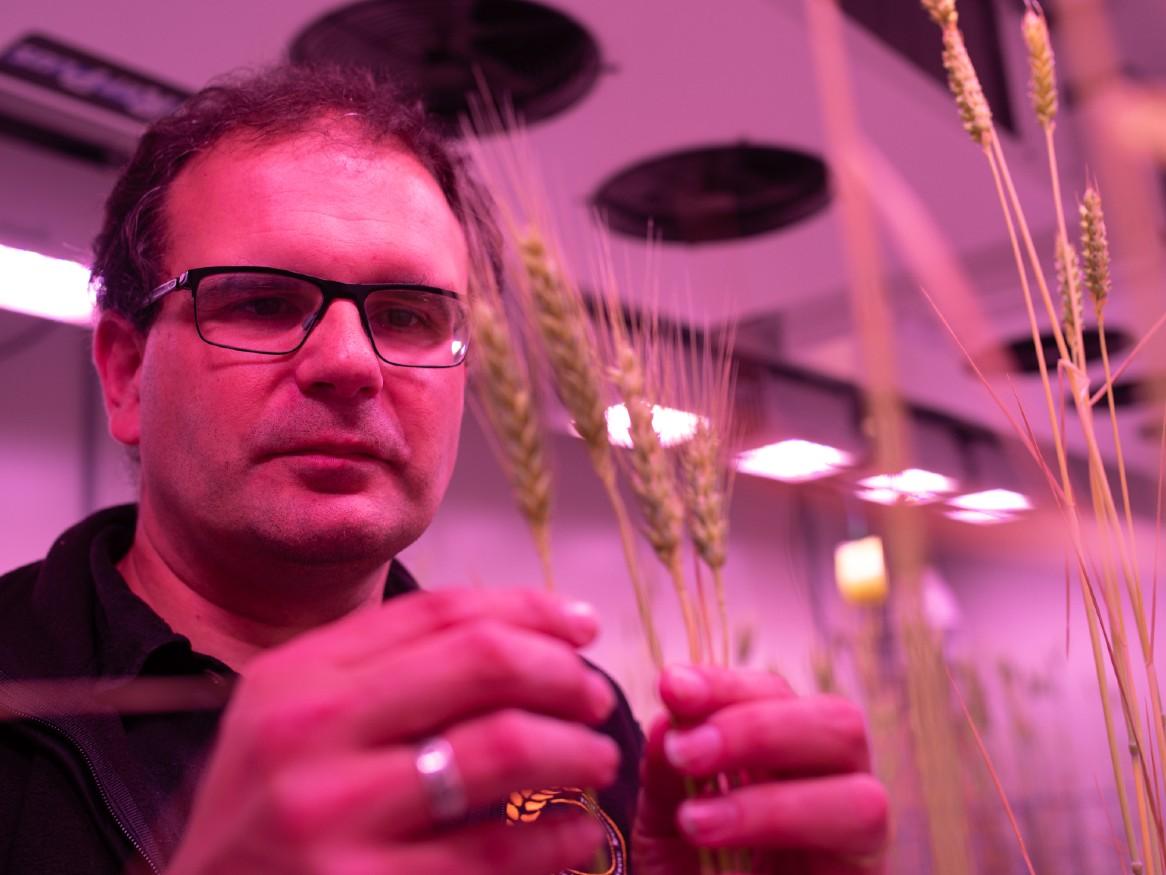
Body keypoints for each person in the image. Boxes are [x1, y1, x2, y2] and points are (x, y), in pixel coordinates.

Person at [0, 65, 887, 874]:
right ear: (123, 372)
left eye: (410, 314)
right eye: (263, 302)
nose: (350, 362)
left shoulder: (570, 719)